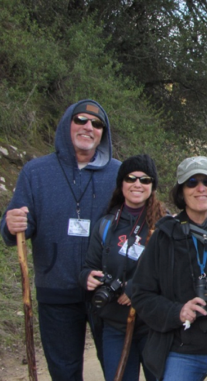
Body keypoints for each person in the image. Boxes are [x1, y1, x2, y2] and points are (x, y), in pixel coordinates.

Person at [1, 100, 119, 380]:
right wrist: (10, 224)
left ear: (104, 133)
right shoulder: (36, 172)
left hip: (107, 290)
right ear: (67, 124)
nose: (88, 127)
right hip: (56, 291)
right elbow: (14, 228)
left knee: (118, 370)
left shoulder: (119, 174)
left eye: (97, 124)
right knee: (64, 373)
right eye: (81, 120)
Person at [131, 156, 207, 381]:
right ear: (181, 192)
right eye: (192, 182)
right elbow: (141, 293)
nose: (201, 188)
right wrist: (177, 311)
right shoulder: (164, 236)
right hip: (181, 349)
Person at [79, 154, 163, 381]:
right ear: (121, 184)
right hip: (115, 325)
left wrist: (136, 287)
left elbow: (171, 273)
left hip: (153, 327)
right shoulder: (106, 225)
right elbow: (89, 266)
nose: (137, 184)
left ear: (152, 186)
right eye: (130, 178)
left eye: (145, 180)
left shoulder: (164, 225)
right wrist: (87, 277)